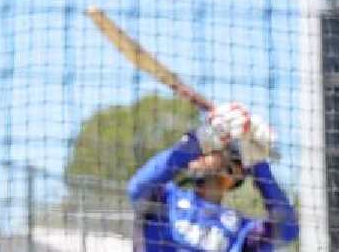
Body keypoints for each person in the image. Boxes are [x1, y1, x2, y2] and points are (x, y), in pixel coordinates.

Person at [127, 103, 298, 251]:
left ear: (234, 171)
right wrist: (197, 140)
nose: (197, 156)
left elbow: (287, 229)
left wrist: (259, 165)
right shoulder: (165, 198)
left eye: (211, 150)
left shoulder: (240, 228)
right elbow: (137, 187)